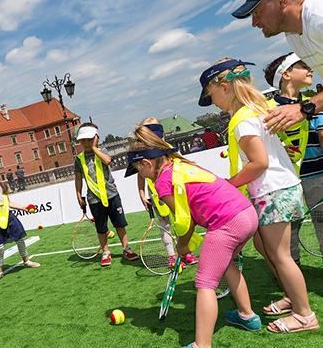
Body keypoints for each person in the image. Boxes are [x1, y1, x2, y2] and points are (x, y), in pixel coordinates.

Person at [198, 58, 318, 334]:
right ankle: (292, 297)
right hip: (280, 187)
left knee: (280, 256)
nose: (212, 101)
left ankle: (304, 315)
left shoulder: (241, 120)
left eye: (211, 94)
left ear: (224, 87)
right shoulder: (258, 109)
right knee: (266, 250)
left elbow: (258, 162)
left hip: (272, 191)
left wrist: (229, 184)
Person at [126, 126, 261, 348]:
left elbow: (184, 220)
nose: (139, 174)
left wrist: (182, 245)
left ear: (146, 164)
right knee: (226, 264)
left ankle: (202, 344)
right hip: (246, 213)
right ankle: (248, 316)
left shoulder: (162, 182)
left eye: (137, 169)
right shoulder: (180, 165)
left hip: (227, 222)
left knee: (205, 283)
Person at [264, 52, 323, 265]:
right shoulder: (266, 109)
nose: (311, 69)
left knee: (322, 223)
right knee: (288, 235)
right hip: (283, 183)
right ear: (286, 74)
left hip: (316, 176)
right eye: (304, 65)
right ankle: (292, 278)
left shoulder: (314, 104)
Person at [232, 0, 323, 133]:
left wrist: (305, 108)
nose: (254, 23)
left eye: (257, 13)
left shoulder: (319, 16)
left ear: (282, 0)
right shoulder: (292, 36)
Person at [134, 117, 198, 268]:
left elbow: (180, 164)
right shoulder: (142, 152)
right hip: (156, 196)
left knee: (180, 221)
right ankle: (171, 255)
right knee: (164, 226)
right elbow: (139, 173)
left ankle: (185, 252)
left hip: (174, 191)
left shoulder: (168, 148)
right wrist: (142, 193)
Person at [74, 122, 139, 267]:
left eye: (89, 139)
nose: (85, 143)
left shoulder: (102, 150)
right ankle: (105, 252)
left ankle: (126, 249)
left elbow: (108, 161)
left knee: (119, 224)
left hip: (111, 195)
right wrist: (78, 194)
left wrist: (95, 148)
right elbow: (78, 178)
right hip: (93, 199)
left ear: (96, 138)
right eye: (82, 140)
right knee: (101, 228)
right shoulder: (79, 159)